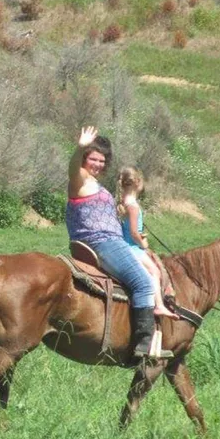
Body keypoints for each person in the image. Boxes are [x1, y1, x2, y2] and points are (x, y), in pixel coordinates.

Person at [64, 127, 169, 360]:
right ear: (84, 159)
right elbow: (72, 168)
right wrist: (80, 147)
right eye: (93, 158)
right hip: (103, 243)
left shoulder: (95, 184)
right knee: (143, 283)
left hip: (108, 241)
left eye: (102, 161)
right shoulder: (79, 178)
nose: (97, 164)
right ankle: (144, 342)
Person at [117, 167, 179, 320]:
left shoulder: (122, 202)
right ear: (138, 182)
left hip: (125, 244)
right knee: (155, 271)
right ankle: (158, 305)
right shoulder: (133, 206)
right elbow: (133, 233)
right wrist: (143, 243)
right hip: (132, 247)